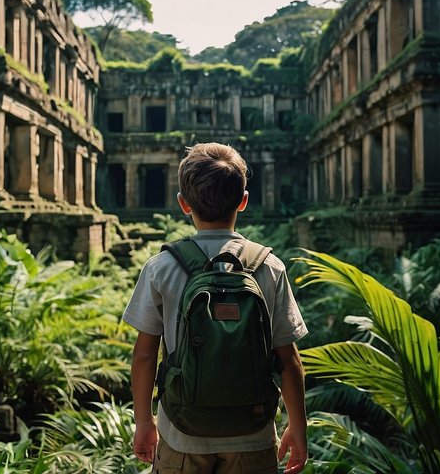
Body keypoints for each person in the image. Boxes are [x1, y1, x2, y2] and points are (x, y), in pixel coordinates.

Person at [123, 142, 308, 474]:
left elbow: (145, 355)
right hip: (253, 434)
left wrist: (143, 421)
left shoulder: (161, 267)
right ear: (244, 200)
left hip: (181, 433)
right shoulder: (270, 267)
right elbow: (289, 359)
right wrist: (298, 426)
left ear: (183, 204)